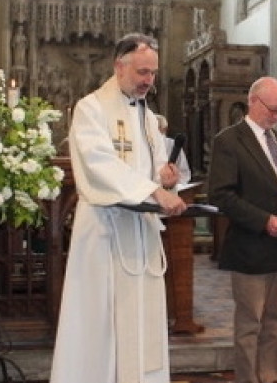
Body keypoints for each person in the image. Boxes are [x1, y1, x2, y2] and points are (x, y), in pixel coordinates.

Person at [51, 33, 187, 383]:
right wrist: (155, 190)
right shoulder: (91, 108)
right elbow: (99, 165)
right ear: (119, 66)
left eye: (153, 73)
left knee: (142, 317)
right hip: (104, 231)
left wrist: (165, 176)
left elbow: (155, 166)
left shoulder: (148, 117)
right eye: (143, 72)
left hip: (140, 232)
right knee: (102, 321)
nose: (149, 81)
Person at [207, 76, 277, 383]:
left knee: (275, 322)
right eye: (273, 109)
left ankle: (270, 377)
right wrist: (263, 220)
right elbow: (221, 195)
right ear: (253, 101)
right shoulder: (229, 140)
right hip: (249, 248)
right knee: (249, 324)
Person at [155, 113, 192, 184]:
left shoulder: (173, 145)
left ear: (163, 129)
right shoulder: (143, 145)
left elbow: (184, 172)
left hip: (171, 186)